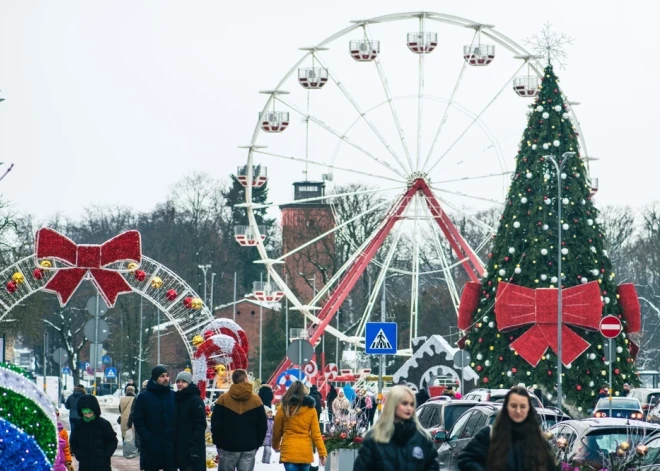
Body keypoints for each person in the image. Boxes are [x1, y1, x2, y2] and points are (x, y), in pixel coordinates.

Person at [457, 386, 558, 471]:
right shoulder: (490, 435)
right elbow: (465, 459)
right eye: (513, 406)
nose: (518, 411)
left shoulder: (539, 440)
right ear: (506, 407)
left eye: (522, 406)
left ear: (528, 409)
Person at [354, 385, 438, 471]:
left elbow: (432, 467)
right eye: (404, 403)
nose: (409, 408)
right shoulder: (374, 438)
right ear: (393, 404)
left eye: (412, 404)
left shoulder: (422, 438)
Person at [211, 369, 267, 471]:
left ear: (233, 380)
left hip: (227, 446)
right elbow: (262, 424)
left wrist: (218, 442)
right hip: (249, 447)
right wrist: (257, 443)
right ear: (246, 379)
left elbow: (216, 424)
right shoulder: (256, 400)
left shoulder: (223, 399)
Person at [272, 381, 327, 471]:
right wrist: (322, 453)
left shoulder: (283, 408)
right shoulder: (311, 409)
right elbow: (316, 434)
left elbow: (276, 431)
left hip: (289, 450)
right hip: (305, 452)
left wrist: (275, 445)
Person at [133, 365, 176, 471]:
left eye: (167, 376)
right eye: (162, 376)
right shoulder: (144, 397)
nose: (166, 378)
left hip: (170, 446)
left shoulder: (173, 396)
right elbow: (138, 419)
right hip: (151, 446)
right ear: (155, 378)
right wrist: (147, 437)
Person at [69, 394, 118, 471]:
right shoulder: (79, 425)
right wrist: (79, 455)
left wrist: (106, 455)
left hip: (102, 465)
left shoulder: (104, 424)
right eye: (85, 413)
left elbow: (113, 440)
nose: (88, 416)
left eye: (90, 413)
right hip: (85, 465)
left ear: (95, 411)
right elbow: (74, 442)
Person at [174, 371, 207, 471]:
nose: (180, 384)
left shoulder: (195, 400)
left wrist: (194, 443)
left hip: (193, 445)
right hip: (181, 444)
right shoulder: (177, 398)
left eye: (183, 381)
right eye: (178, 381)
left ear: (189, 383)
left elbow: (201, 424)